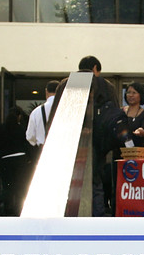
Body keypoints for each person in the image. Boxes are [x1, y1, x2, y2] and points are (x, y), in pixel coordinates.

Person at [50, 56, 125, 216]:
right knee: (95, 182)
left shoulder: (66, 84)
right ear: (95, 68)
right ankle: (95, 221)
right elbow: (115, 115)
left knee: (69, 183)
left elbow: (54, 116)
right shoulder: (107, 86)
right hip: (98, 144)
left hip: (69, 141)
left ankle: (69, 217)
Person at [0, 107, 36, 216]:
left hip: (5, 160)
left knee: (7, 187)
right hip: (20, 160)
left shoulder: (0, 128)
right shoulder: (21, 129)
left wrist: (3, 150)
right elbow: (28, 144)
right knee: (20, 187)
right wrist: (30, 158)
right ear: (18, 116)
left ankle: (7, 210)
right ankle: (19, 210)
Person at [26, 80, 59, 147]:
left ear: (46, 91)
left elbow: (30, 136)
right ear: (61, 91)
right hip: (63, 150)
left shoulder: (36, 112)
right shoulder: (67, 110)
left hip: (42, 149)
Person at [123, 82, 144, 148]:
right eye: (128, 92)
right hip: (118, 152)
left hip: (136, 153)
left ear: (140, 95)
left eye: (134, 93)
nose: (131, 95)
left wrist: (142, 131)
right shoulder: (120, 112)